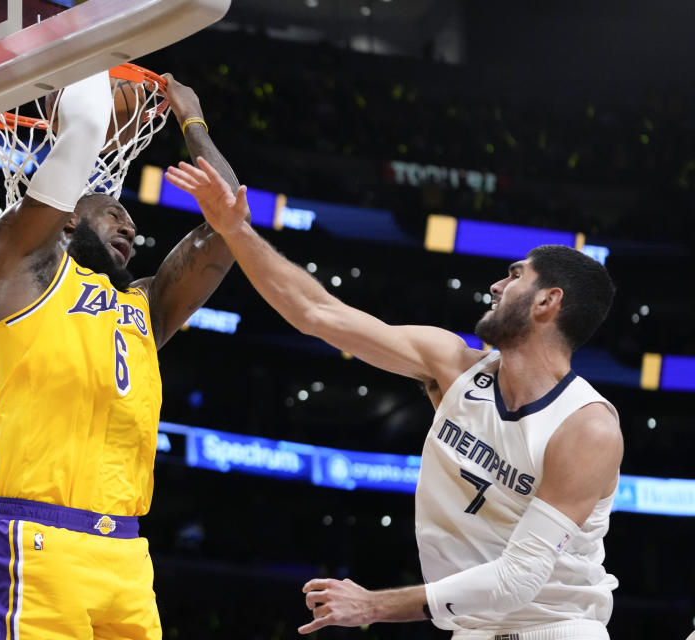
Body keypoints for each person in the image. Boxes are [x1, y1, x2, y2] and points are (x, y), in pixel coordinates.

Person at [165, 159, 622, 640]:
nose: (495, 285)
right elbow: (317, 312)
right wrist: (236, 231)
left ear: (547, 302)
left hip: (555, 630)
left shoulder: (585, 427)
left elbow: (518, 578)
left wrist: (373, 605)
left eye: (514, 276)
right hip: (473, 629)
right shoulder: (451, 365)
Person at [0, 72, 239, 640]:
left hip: (127, 555)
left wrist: (192, 122)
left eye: (130, 218)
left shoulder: (144, 304)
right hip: (40, 543)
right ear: (67, 213)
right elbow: (85, 130)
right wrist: (82, 59)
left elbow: (226, 230)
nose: (132, 225)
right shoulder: (22, 270)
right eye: (113, 211)